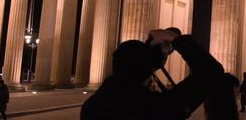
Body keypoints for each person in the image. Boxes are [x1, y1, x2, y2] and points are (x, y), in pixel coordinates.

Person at [80, 29, 228, 120]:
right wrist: (175, 39)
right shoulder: (154, 107)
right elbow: (211, 72)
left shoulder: (91, 106)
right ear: (149, 71)